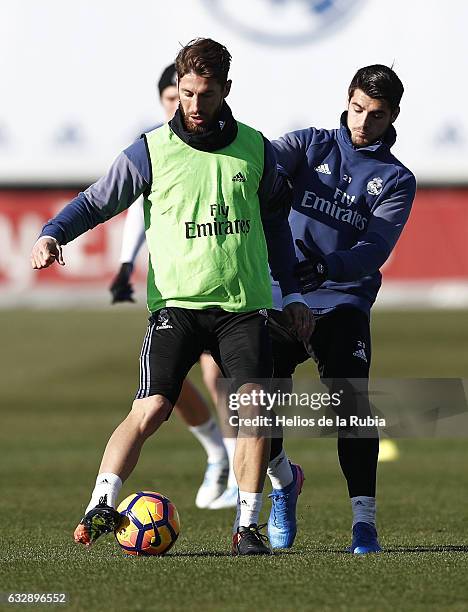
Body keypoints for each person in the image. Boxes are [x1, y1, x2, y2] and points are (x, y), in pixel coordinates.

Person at [30, 37, 314, 556]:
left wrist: (291, 293)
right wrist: (53, 232)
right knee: (153, 406)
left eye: (206, 95)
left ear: (226, 90)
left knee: (254, 411)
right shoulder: (150, 151)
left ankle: (246, 527)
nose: (194, 106)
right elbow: (96, 201)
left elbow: (276, 227)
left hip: (242, 309)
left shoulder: (256, 149)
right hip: (176, 309)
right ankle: (100, 504)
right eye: (186, 94)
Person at [268, 64, 416, 554]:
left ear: (392, 116)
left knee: (351, 408)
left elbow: (375, 248)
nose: (362, 122)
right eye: (356, 109)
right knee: (255, 405)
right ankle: (284, 483)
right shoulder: (309, 145)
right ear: (347, 100)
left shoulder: (396, 179)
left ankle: (364, 523)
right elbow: (256, 162)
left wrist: (327, 267)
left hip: (343, 300)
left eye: (375, 115)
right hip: (281, 295)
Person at [110, 63, 233, 510]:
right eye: (174, 98)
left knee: (219, 374)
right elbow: (134, 210)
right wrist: (126, 265)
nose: (183, 106)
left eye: (193, 95)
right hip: (174, 285)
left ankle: (241, 465)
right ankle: (218, 453)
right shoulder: (154, 149)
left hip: (221, 283)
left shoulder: (228, 142)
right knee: (168, 386)